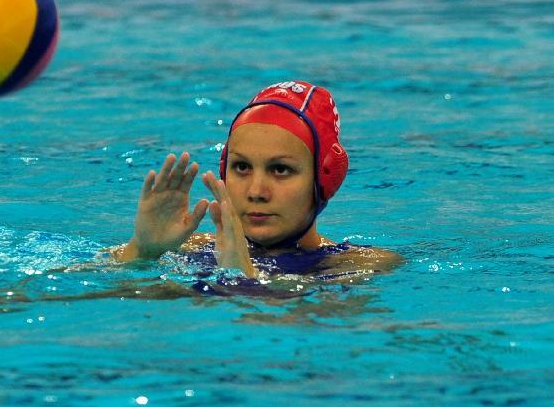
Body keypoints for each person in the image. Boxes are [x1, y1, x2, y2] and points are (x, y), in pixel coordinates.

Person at [112, 81, 402, 285]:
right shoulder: (186, 246)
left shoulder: (358, 268)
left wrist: (241, 278)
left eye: (280, 170)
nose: (255, 192)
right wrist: (142, 251)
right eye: (241, 167)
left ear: (326, 177)